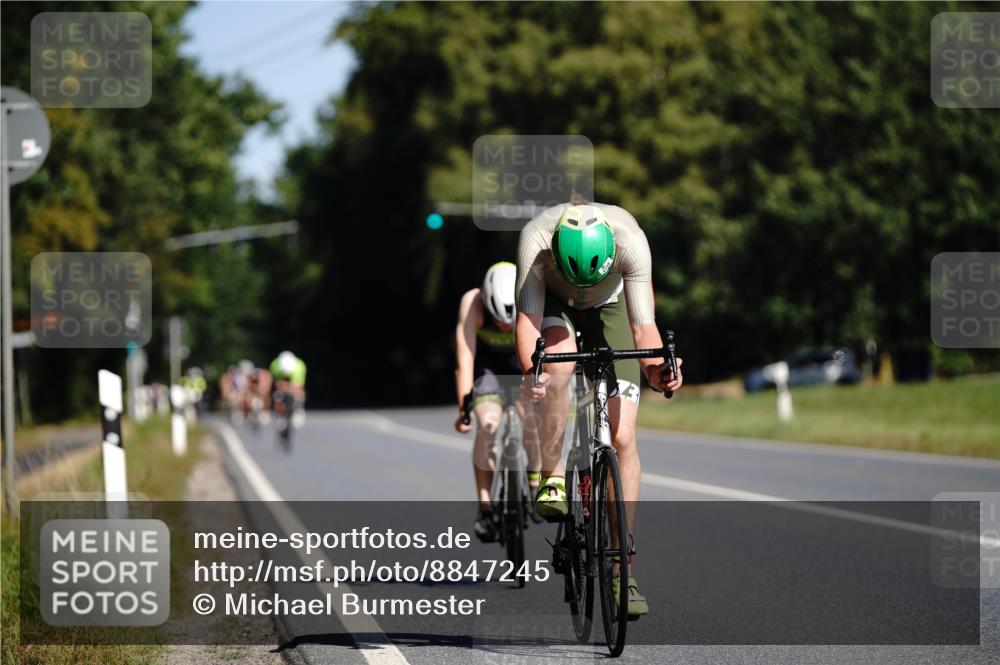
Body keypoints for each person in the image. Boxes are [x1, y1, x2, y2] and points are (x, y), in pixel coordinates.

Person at [515, 203, 684, 617]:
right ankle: (552, 476)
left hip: (611, 304)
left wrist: (658, 370)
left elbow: (643, 327)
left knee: (623, 438)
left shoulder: (631, 241)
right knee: (556, 366)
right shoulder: (535, 239)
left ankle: (622, 570)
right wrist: (533, 373)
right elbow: (529, 321)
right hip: (555, 305)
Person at [454, 262, 542, 543]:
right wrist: (465, 410)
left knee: (533, 422)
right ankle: (485, 507)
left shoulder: (532, 298)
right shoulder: (472, 303)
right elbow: (465, 357)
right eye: (498, 320)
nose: (504, 326)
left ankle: (535, 481)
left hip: (521, 366)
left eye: (509, 321)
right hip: (488, 371)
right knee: (488, 426)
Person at [270, 351, 307, 428]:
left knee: (299, 394)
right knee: (278, 395)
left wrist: (292, 390)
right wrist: (282, 390)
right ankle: (280, 415)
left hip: (295, 379)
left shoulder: (299, 367)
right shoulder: (275, 366)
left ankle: (298, 410)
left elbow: (299, 385)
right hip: (280, 379)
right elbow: (277, 383)